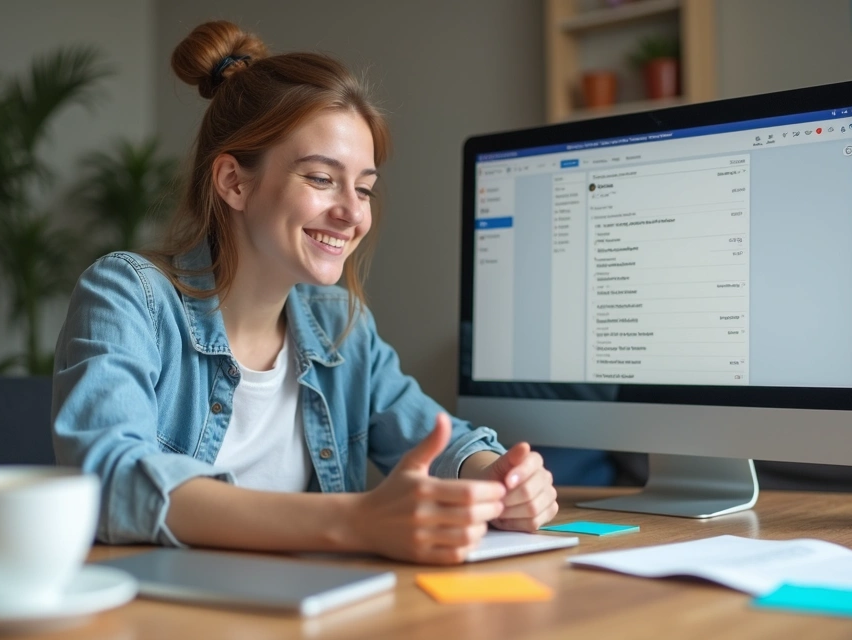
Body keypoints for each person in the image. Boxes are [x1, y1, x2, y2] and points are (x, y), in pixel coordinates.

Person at [51, 19, 558, 565]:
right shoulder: (129, 295)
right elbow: (108, 478)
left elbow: (435, 438)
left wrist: (500, 480)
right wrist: (354, 522)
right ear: (233, 182)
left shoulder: (340, 323)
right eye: (321, 179)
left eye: (364, 188)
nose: (352, 213)